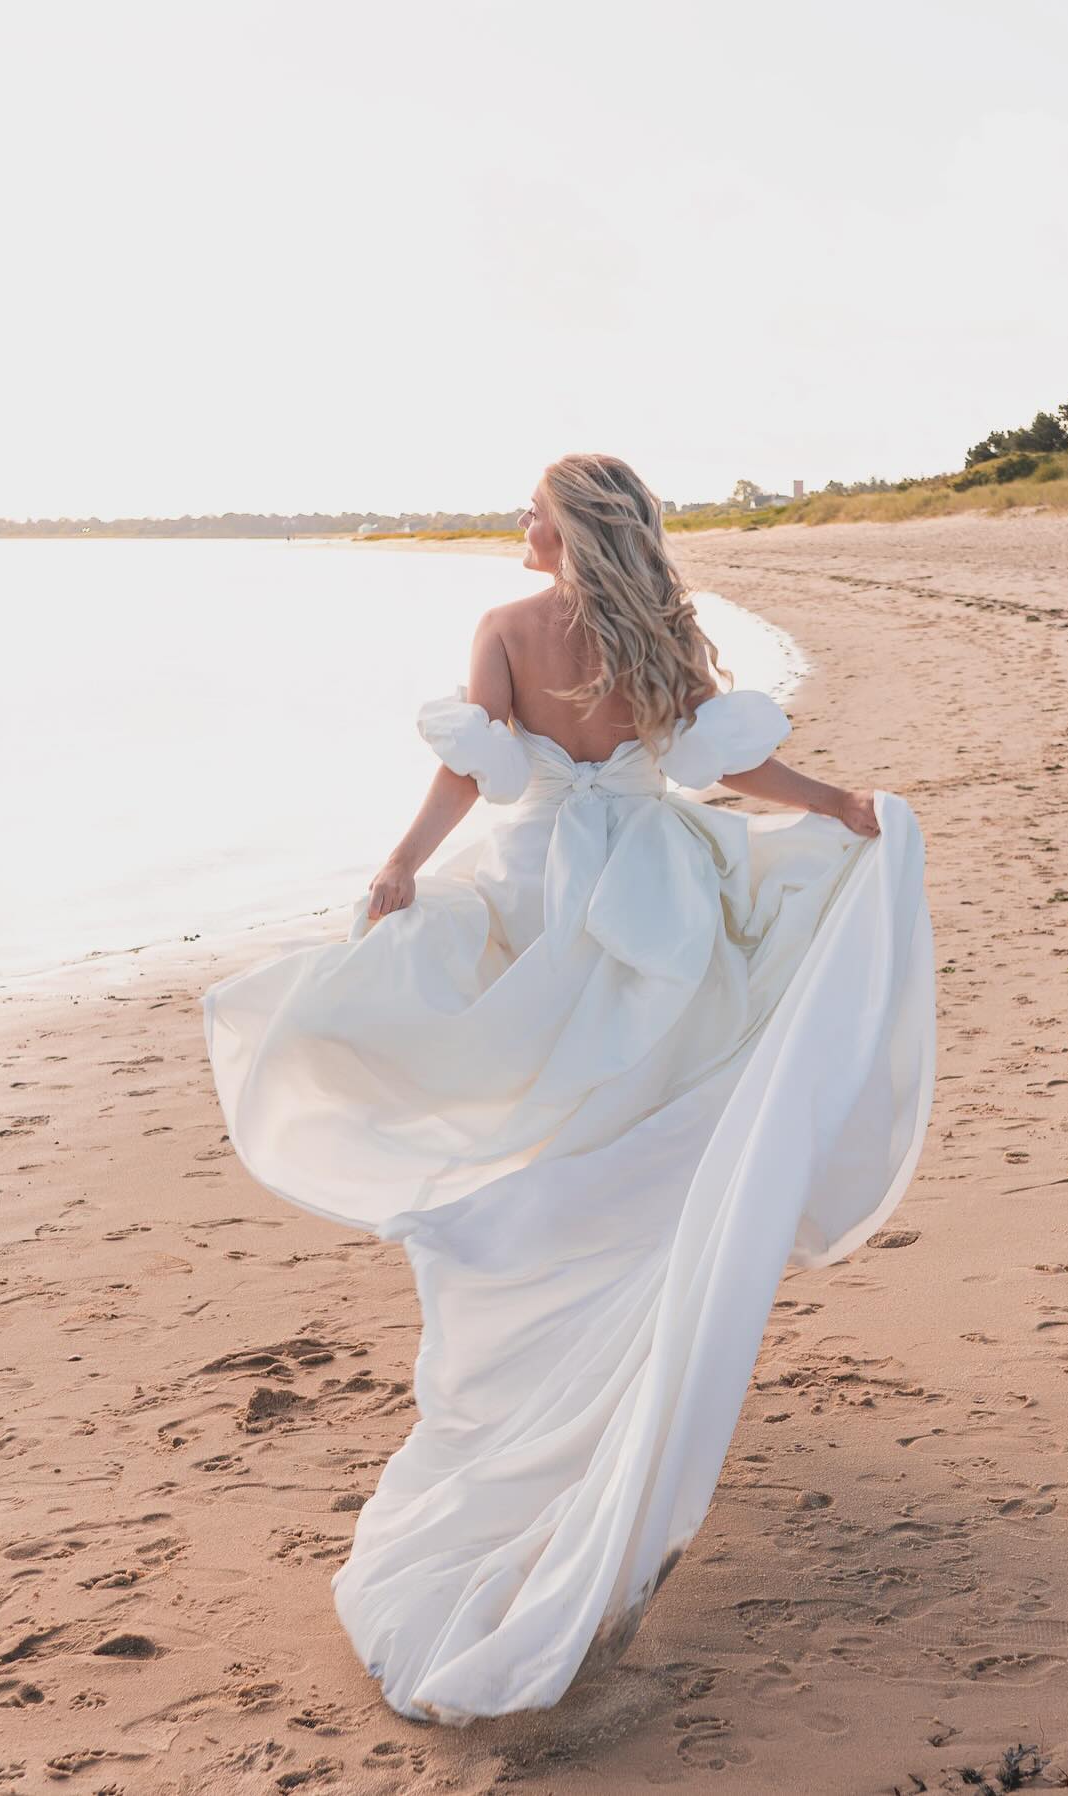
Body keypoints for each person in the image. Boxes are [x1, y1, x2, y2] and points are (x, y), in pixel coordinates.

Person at [201, 452, 935, 1728]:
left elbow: (470, 779)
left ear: (567, 524)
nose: (515, 527)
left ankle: (565, 1348)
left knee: (542, 1139)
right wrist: (835, 805)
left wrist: (397, 868)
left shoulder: (502, 631)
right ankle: (622, 1346)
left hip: (548, 902)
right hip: (664, 904)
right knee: (642, 1130)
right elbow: (728, 771)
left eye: (529, 510)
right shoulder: (663, 630)